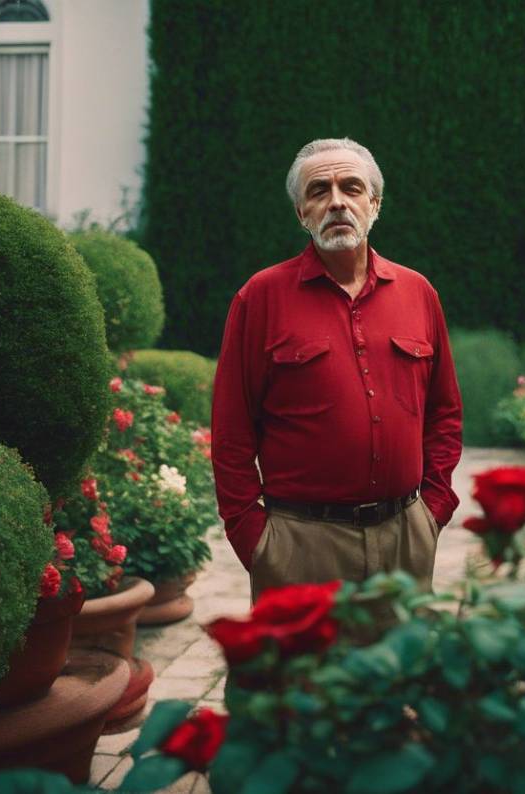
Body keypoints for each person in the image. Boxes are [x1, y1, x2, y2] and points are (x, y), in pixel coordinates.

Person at [211, 137, 463, 600]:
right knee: (296, 675)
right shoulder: (260, 298)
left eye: (351, 187)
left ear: (375, 204)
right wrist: (256, 539)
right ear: (300, 213)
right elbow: (231, 430)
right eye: (318, 191)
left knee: (397, 673)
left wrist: (434, 508)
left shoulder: (418, 293)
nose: (337, 202)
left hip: (404, 539)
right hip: (298, 546)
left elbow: (444, 412)